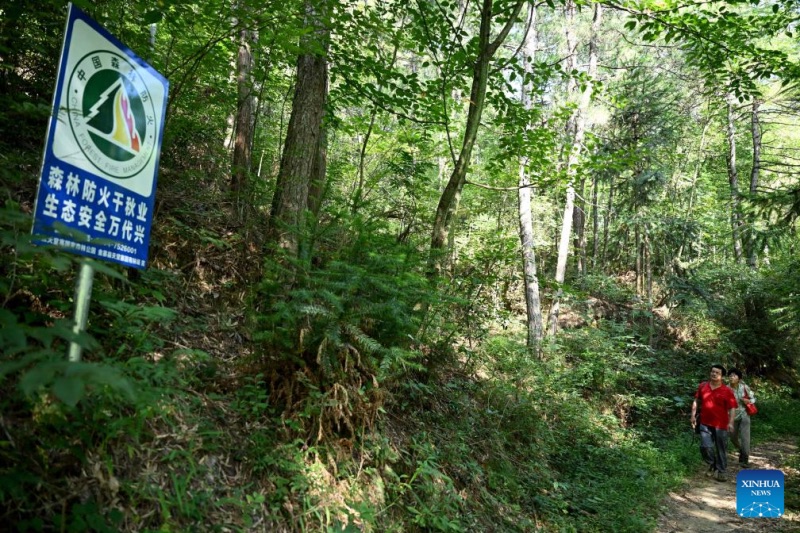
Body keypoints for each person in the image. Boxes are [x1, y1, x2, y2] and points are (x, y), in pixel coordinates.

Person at [690, 364, 737, 481]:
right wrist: (692, 415)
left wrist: (731, 423)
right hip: (705, 423)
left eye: (717, 373)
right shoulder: (703, 386)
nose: (714, 374)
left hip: (721, 425)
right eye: (713, 372)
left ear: (722, 376)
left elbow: (732, 408)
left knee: (721, 448)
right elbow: (696, 400)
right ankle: (712, 464)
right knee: (705, 446)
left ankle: (721, 471)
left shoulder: (727, 391)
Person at [728, 368, 755, 467]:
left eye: (734, 375)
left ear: (739, 378)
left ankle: (745, 459)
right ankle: (741, 450)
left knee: (745, 437)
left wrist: (749, 401)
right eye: (730, 375)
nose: (731, 377)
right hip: (731, 417)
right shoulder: (726, 389)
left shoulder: (744, 387)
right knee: (732, 437)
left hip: (744, 415)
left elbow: (753, 399)